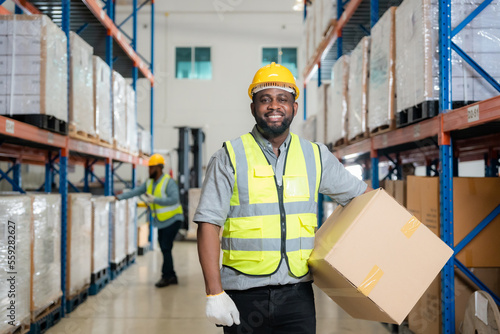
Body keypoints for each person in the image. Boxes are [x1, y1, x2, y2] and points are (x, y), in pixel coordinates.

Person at [194, 62, 372, 333]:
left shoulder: (315, 156)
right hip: (244, 295)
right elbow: (208, 224)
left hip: (297, 296)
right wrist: (214, 292)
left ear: (294, 108)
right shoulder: (228, 157)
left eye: (283, 99)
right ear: (253, 107)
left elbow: (361, 198)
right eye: (265, 99)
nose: (274, 106)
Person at [116, 153, 184, 288]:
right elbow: (135, 192)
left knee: (165, 247)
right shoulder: (149, 182)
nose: (149, 170)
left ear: (159, 168)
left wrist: (155, 200)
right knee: (165, 248)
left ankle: (167, 277)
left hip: (174, 219)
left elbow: (174, 199)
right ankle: (172, 276)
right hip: (162, 221)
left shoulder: (168, 181)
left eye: (151, 168)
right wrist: (119, 197)